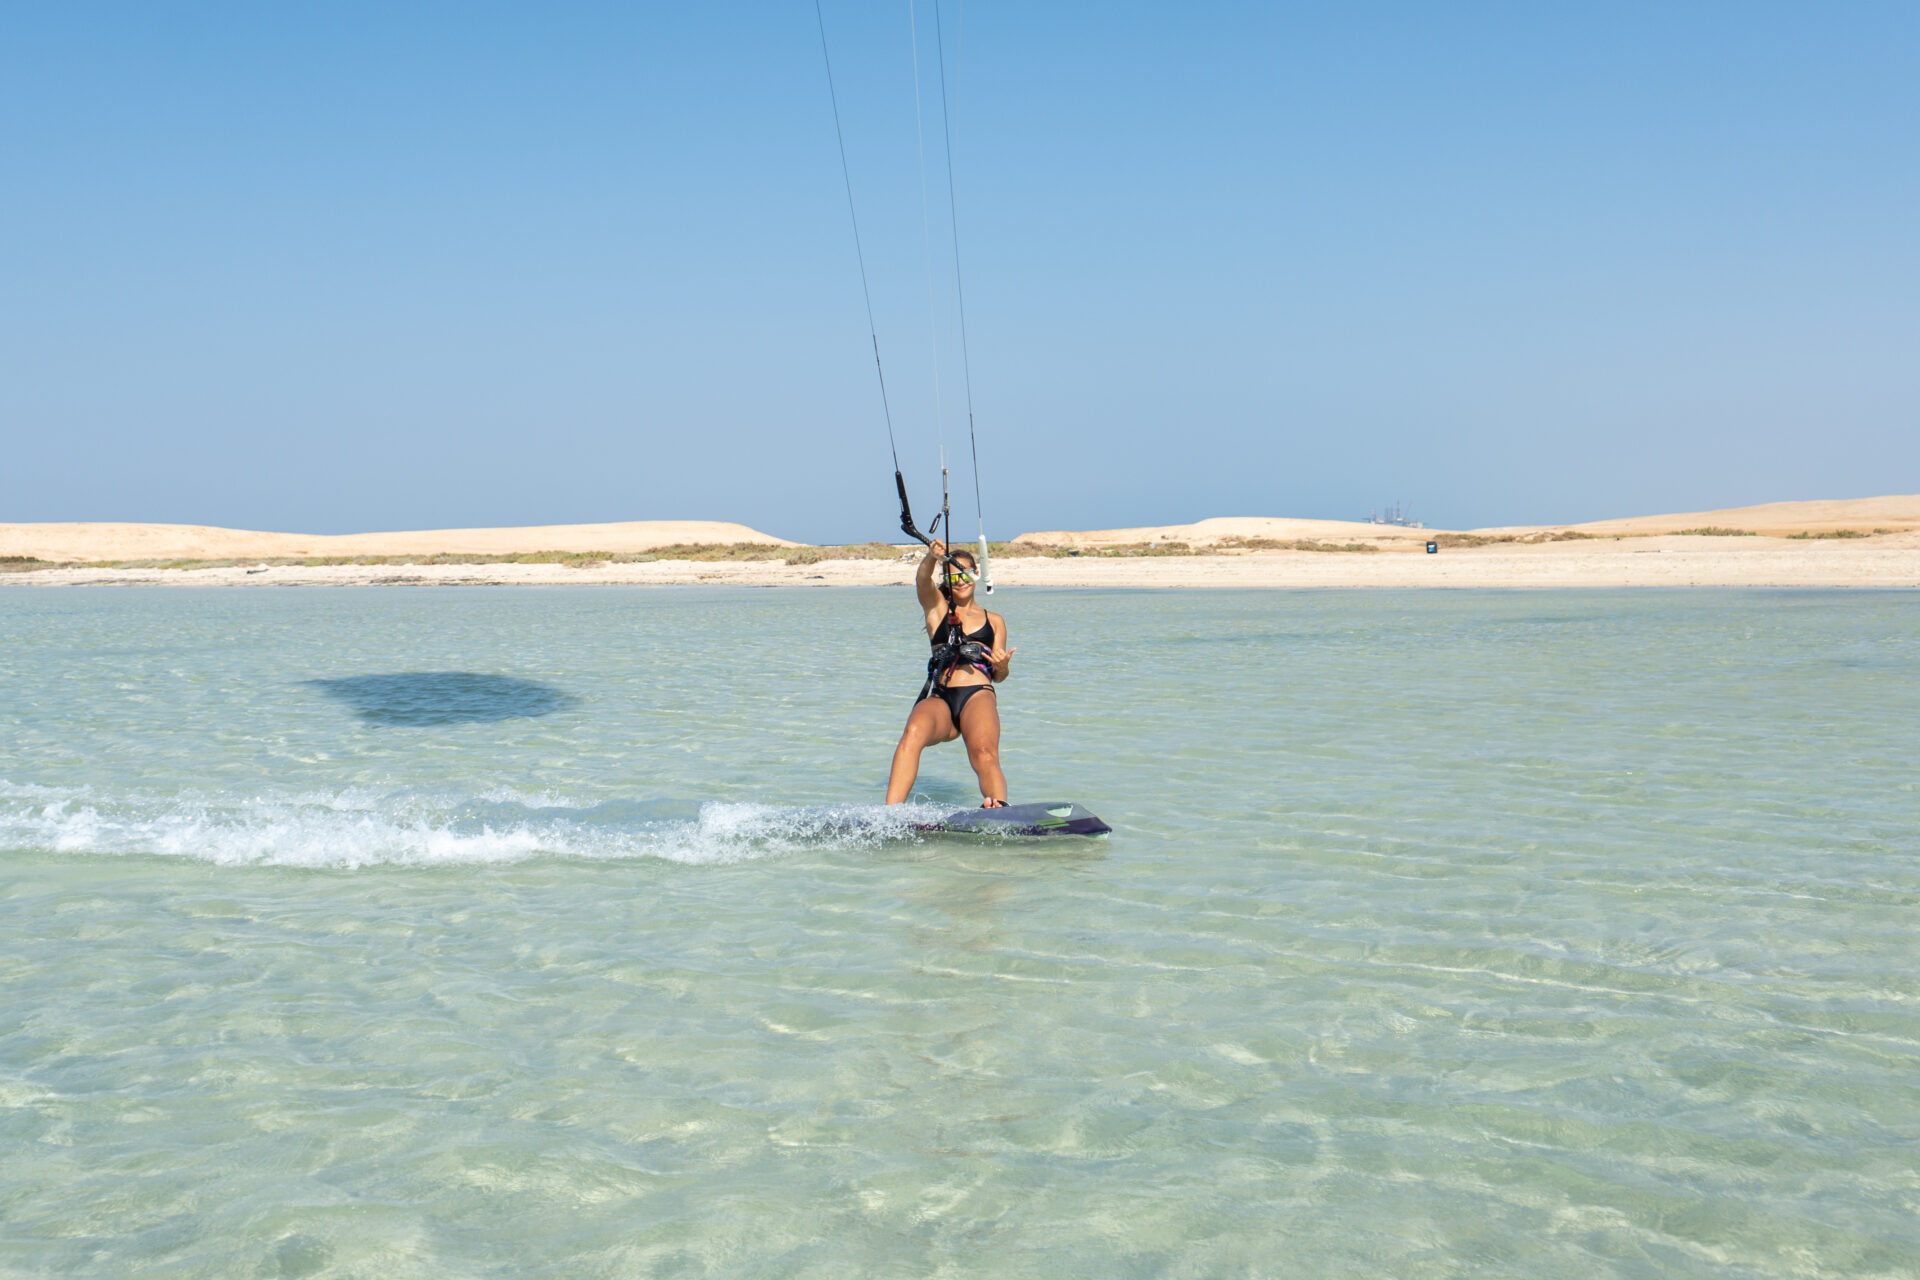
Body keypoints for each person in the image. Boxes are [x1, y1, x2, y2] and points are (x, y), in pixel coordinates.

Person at [885, 540, 1016, 806]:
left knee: (983, 753)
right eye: (953, 574)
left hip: (977, 695)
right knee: (912, 732)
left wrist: (1002, 666)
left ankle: (998, 808)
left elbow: (999, 675)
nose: (960, 580)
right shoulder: (937, 609)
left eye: (966, 572)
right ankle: (890, 814)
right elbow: (922, 582)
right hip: (941, 697)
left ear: (976, 574)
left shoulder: (995, 621)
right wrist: (931, 558)